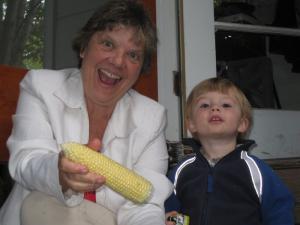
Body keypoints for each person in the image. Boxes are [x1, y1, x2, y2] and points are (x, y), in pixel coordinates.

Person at [0, 1, 173, 225]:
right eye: (108, 44)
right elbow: (27, 160)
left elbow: (145, 203)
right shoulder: (41, 87)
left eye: (133, 55)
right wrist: (59, 174)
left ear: (140, 69)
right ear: (83, 48)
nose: (118, 61)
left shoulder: (152, 117)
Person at [165, 77, 294, 225]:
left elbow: (279, 211)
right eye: (205, 105)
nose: (215, 108)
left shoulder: (256, 171)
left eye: (226, 105)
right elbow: (170, 213)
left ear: (242, 124)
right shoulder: (181, 171)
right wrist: (171, 219)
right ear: (192, 124)